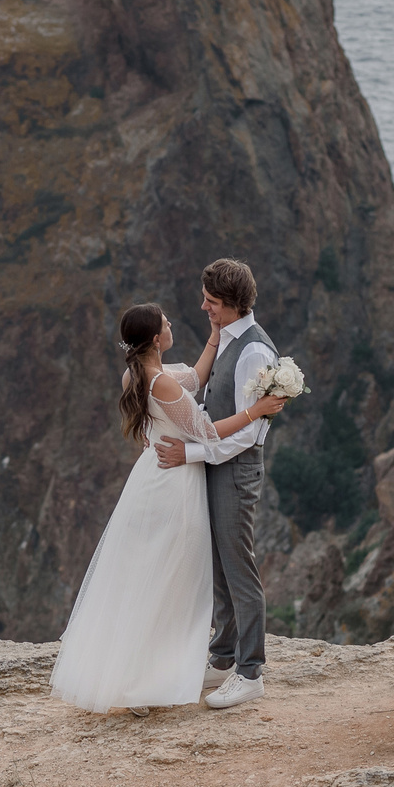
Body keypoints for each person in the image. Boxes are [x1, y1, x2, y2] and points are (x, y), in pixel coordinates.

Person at [49, 302, 286, 712]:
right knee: (166, 579)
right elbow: (208, 433)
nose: (172, 323)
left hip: (150, 481)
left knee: (146, 574)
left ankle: (136, 671)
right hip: (173, 484)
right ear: (157, 339)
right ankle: (139, 679)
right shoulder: (160, 383)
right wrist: (255, 411)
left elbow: (195, 377)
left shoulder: (137, 373)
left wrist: (216, 332)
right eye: (166, 323)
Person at [154, 258, 274, 710]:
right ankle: (223, 657)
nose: (203, 306)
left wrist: (191, 452)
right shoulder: (226, 339)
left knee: (239, 570)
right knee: (219, 570)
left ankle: (250, 672)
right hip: (216, 467)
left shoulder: (255, 352)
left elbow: (249, 433)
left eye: (212, 301)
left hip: (236, 472)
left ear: (235, 305)